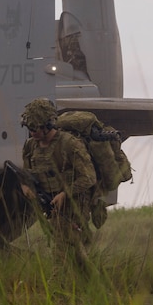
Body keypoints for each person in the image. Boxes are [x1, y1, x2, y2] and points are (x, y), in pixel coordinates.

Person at [19, 97, 96, 265]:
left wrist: (64, 194)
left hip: (73, 204)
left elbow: (89, 177)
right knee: (75, 254)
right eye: (29, 128)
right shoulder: (30, 146)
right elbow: (26, 174)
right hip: (50, 204)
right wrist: (26, 187)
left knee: (61, 253)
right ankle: (96, 285)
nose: (32, 132)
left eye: (36, 128)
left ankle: (56, 288)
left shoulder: (69, 144)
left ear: (48, 125)